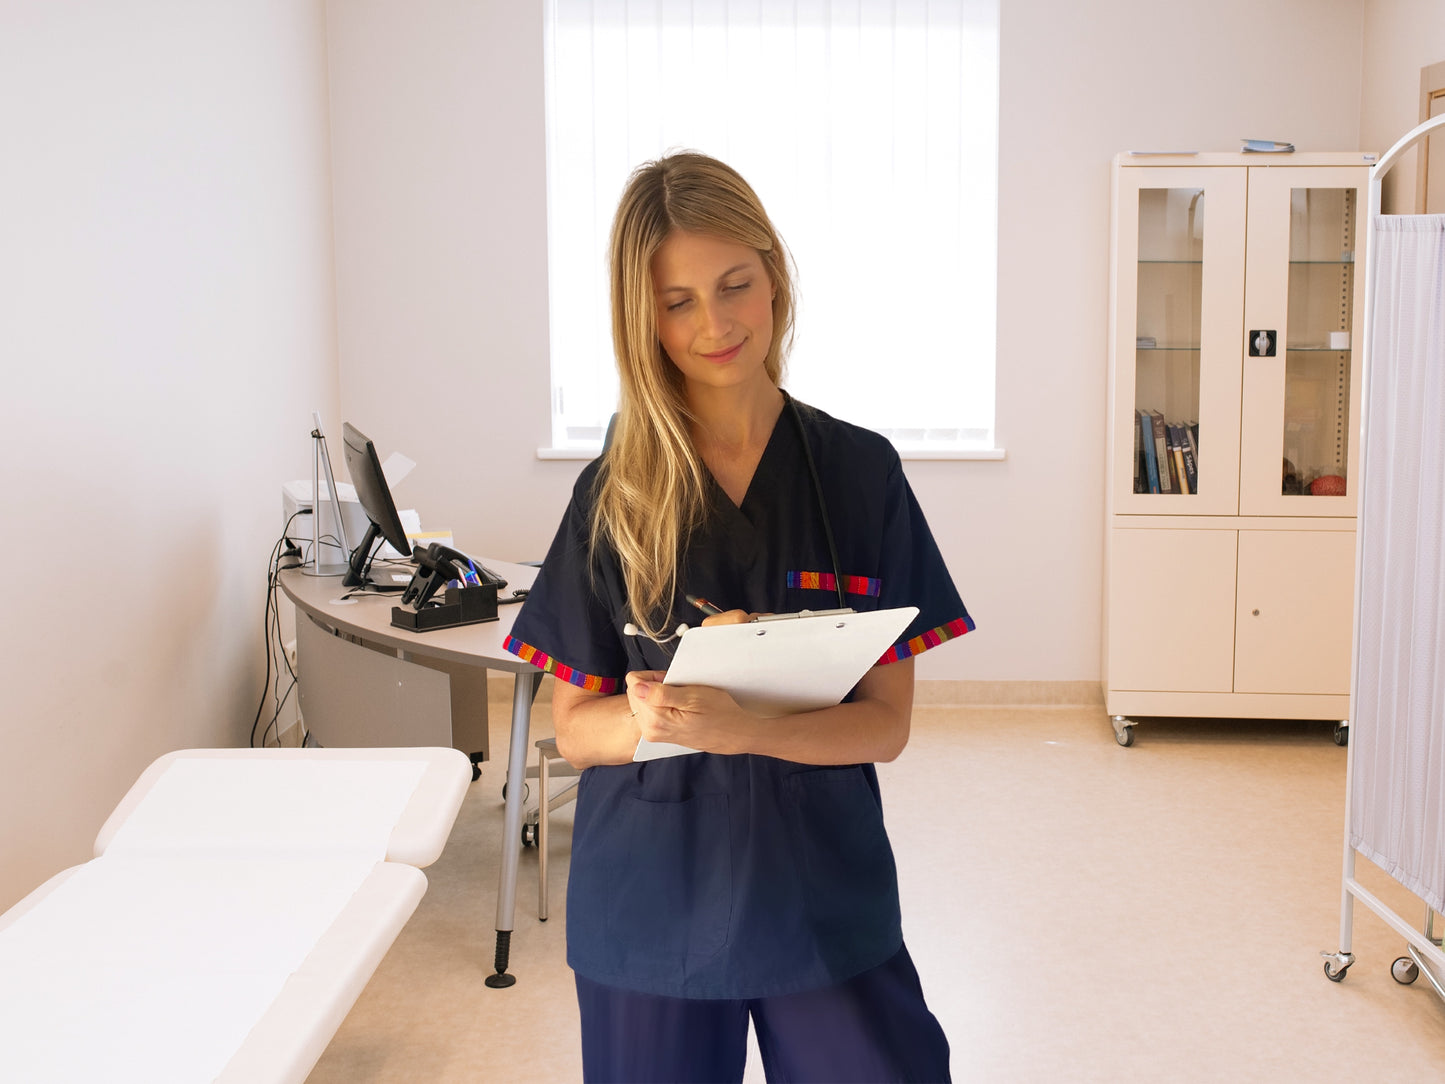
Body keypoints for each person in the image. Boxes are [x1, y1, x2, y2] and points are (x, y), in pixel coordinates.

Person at [505, 151, 973, 1083]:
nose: (713, 324)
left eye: (734, 285)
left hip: (819, 896)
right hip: (650, 906)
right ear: (643, 318)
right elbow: (575, 730)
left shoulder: (858, 473)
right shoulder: (613, 493)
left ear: (775, 276)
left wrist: (744, 725)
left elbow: (884, 728)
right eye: (677, 301)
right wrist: (668, 710)